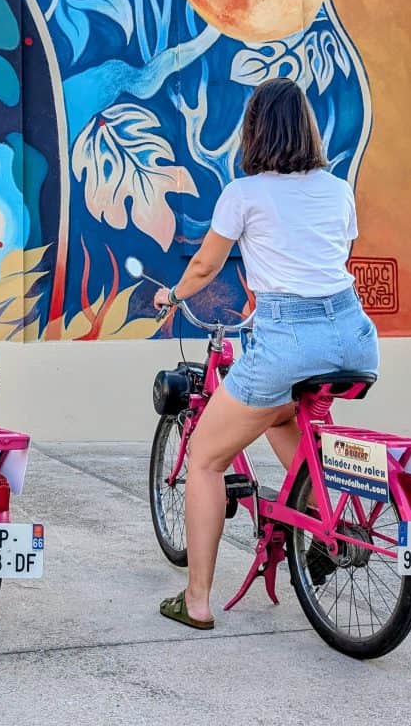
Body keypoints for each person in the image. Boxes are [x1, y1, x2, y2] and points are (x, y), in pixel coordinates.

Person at [153, 77, 379, 630]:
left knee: (206, 458)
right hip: (353, 334)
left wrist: (172, 294)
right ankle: (325, 518)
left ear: (254, 130)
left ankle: (197, 601)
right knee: (281, 415)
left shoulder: (245, 193)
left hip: (287, 339)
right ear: (306, 126)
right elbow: (325, 259)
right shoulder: (337, 188)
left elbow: (206, 266)